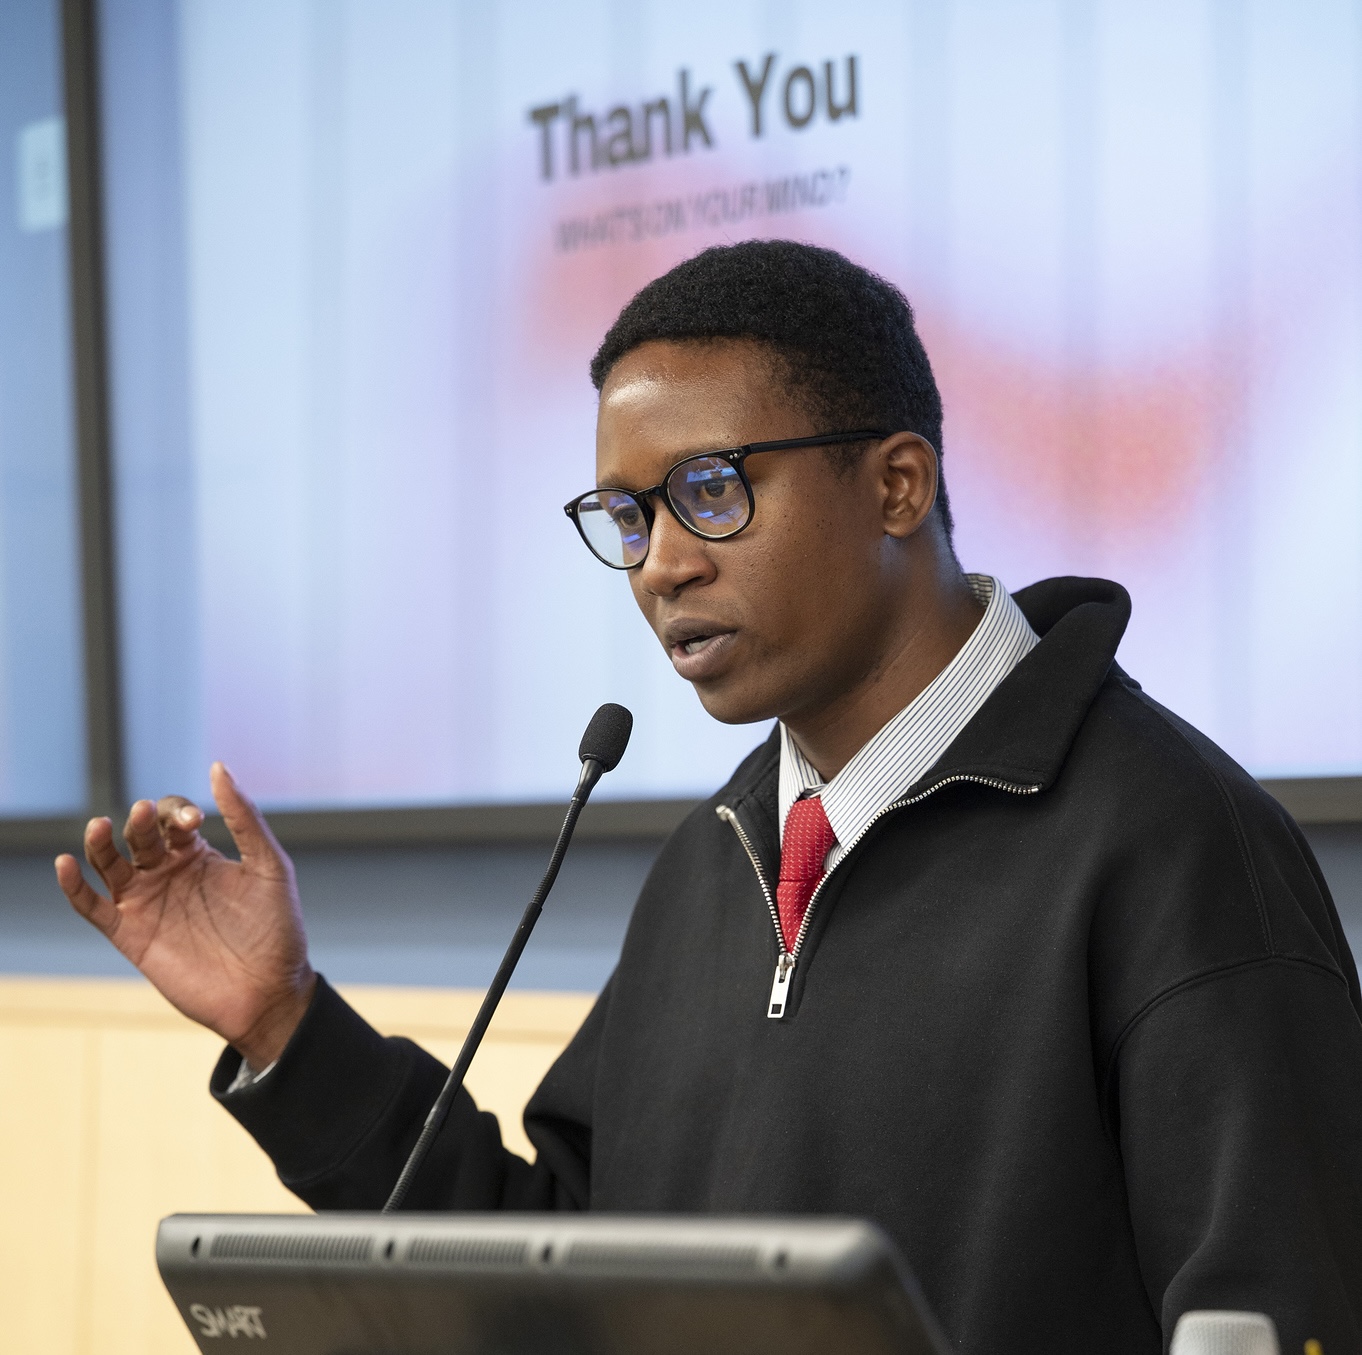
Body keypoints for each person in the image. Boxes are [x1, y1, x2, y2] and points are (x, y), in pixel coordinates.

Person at [56, 241, 1362, 1353]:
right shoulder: (715, 863)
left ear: (896, 484)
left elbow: (1274, 1314)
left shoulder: (1171, 844)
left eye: (710, 491)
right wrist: (288, 1027)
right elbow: (561, 1266)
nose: (661, 567)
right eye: (627, 517)